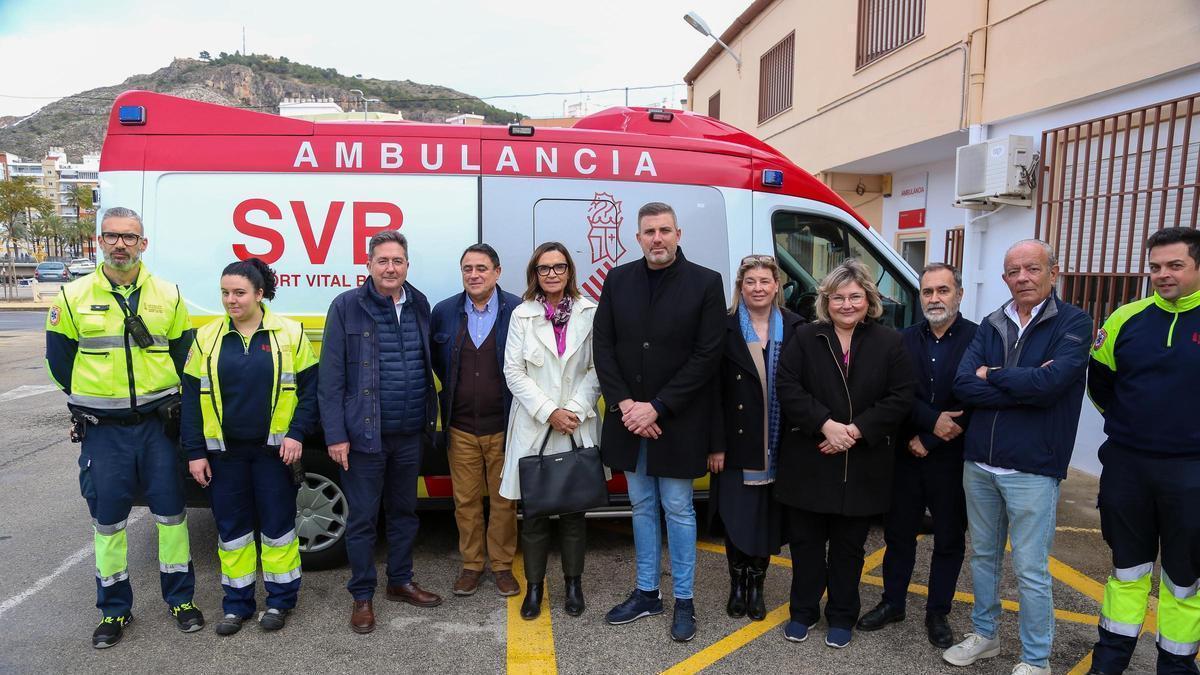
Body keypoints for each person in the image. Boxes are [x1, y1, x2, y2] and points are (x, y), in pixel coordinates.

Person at [45, 206, 204, 648]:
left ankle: (181, 601)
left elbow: (185, 360)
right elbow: (59, 365)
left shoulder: (168, 295)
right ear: (100, 241)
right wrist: (96, 400)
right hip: (104, 431)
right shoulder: (73, 296)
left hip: (158, 429)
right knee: (109, 522)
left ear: (143, 244)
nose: (120, 244)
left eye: (129, 237)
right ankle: (114, 611)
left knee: (172, 517)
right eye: (112, 236)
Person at [946, 239, 1092, 675]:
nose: (1022, 277)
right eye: (1014, 271)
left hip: (1032, 467)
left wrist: (993, 376)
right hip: (981, 463)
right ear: (1004, 277)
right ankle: (985, 636)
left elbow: (1053, 386)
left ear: (1054, 271)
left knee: (1031, 571)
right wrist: (1023, 384)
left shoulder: (1074, 323)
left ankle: (1036, 659)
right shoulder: (992, 323)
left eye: (1032, 268)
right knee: (984, 558)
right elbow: (963, 385)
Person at [594, 201, 725, 643]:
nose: (657, 238)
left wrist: (659, 407)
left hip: (677, 422)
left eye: (665, 230)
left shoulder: (706, 283)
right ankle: (647, 593)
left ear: (678, 234)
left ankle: (684, 600)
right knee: (643, 508)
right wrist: (628, 405)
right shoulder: (618, 279)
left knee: (679, 510)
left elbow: (707, 356)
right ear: (637, 238)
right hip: (631, 420)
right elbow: (604, 346)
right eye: (649, 231)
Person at [774, 259, 915, 649]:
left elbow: (901, 396)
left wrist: (855, 431)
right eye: (839, 297)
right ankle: (802, 612)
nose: (847, 304)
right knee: (805, 546)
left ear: (869, 299)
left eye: (855, 296)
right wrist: (826, 424)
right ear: (826, 300)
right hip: (810, 458)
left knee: (849, 550)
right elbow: (787, 386)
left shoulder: (890, 342)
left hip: (862, 463)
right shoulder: (806, 337)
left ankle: (841, 615)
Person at [181, 258, 318, 635]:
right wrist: (195, 452)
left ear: (260, 294)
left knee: (278, 530)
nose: (230, 300)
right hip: (225, 455)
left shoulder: (290, 333)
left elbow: (310, 392)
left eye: (239, 293)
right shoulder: (206, 337)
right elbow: (191, 400)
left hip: (274, 454)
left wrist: (297, 433)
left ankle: (280, 601)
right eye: (225, 293)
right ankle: (237, 604)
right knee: (233, 532)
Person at [1086, 227, 1200, 675]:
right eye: (1154, 267)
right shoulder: (1125, 318)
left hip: (1192, 473)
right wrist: (1135, 427)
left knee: (1184, 578)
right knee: (1127, 571)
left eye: (1174, 265)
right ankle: (1109, 663)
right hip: (1127, 466)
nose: (1162, 275)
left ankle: (1175, 665)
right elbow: (1100, 385)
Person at [319, 230, 442, 635]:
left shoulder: (420, 303)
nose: (391, 268)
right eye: (383, 260)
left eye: (398, 261)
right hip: (362, 438)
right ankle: (362, 595)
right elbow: (331, 379)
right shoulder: (346, 307)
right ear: (368, 265)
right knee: (362, 521)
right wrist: (335, 436)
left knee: (405, 514)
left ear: (407, 265)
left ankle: (400, 581)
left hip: (409, 434)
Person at [857, 262, 977, 649]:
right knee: (898, 535)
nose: (934, 299)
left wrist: (935, 438)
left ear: (958, 293)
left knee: (948, 539)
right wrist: (925, 427)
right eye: (927, 292)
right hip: (906, 453)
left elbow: (978, 397)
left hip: (952, 457)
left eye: (943, 291)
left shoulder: (980, 339)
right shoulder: (901, 340)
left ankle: (937, 612)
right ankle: (893, 603)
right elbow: (893, 393)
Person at [499, 242, 602, 620]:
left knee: (575, 513)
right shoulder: (522, 315)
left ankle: (573, 584)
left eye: (559, 267)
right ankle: (535, 588)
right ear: (535, 275)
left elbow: (597, 369)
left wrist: (571, 409)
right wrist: (549, 411)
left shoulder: (590, 312)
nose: (552, 274)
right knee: (536, 514)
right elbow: (513, 371)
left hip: (576, 422)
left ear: (569, 271)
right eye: (544, 269)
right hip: (535, 425)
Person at [708, 255, 803, 622]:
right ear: (740, 286)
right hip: (736, 443)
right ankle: (737, 585)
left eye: (765, 281)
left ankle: (757, 586)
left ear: (777, 285)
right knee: (737, 516)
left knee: (768, 520)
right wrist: (715, 443)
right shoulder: (724, 327)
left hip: (781, 444)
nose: (758, 288)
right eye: (751, 282)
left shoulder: (797, 327)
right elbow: (711, 391)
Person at [431, 243, 523, 598]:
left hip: (504, 425)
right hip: (461, 427)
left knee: (504, 501)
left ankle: (501, 567)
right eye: (468, 268)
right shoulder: (445, 312)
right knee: (465, 501)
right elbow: (440, 363)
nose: (474, 274)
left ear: (497, 272)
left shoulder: (517, 310)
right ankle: (472, 565)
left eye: (482, 268)